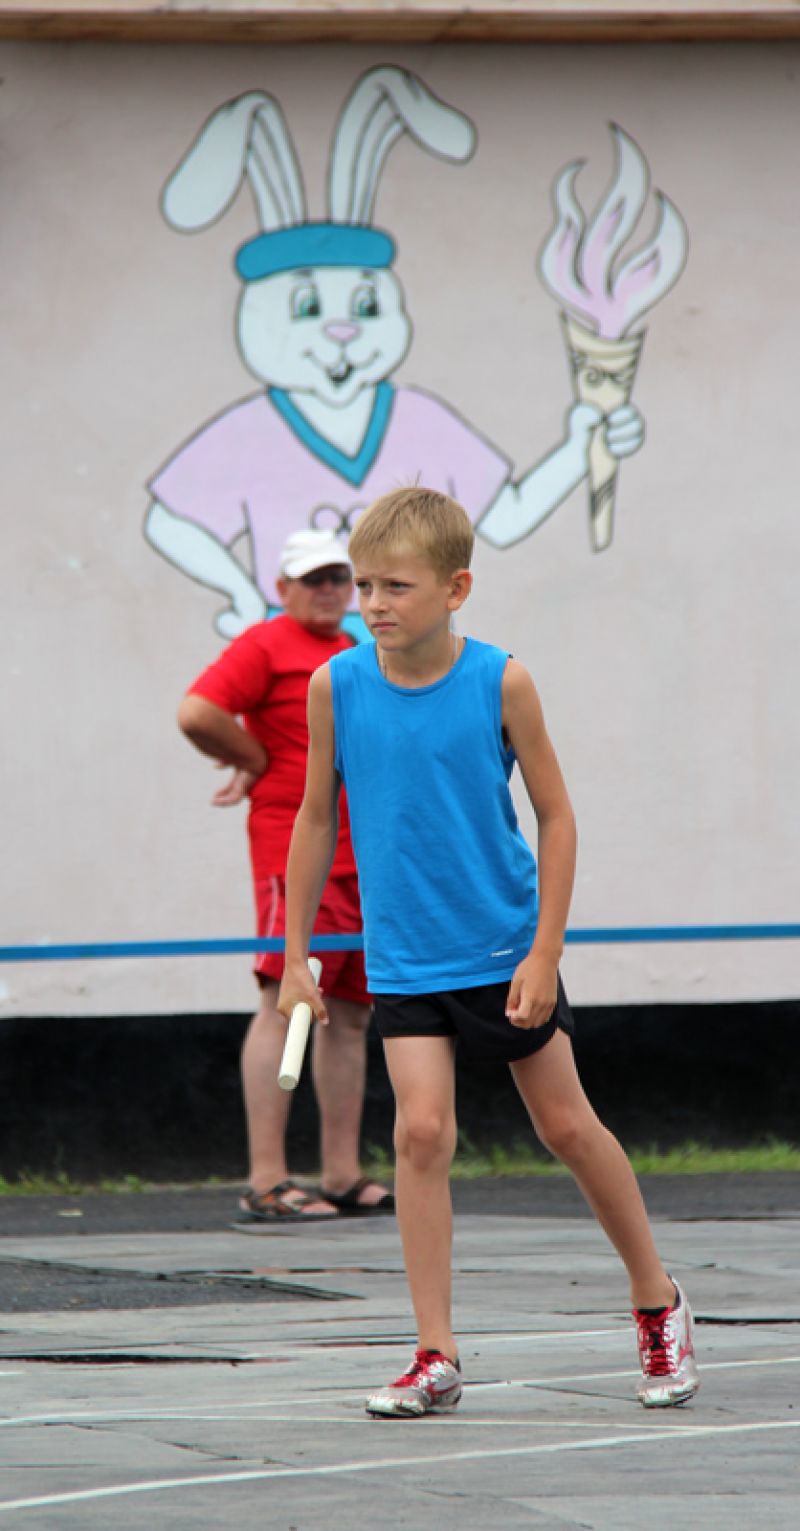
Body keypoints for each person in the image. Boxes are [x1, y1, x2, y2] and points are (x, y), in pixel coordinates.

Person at [278, 486, 700, 1415]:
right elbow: (313, 818)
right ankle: (436, 1353)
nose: (374, 603)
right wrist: (297, 955)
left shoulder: (500, 680)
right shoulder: (335, 685)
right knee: (421, 1133)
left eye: (397, 586)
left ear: (456, 588)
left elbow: (556, 815)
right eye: (365, 585)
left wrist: (544, 953)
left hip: (501, 948)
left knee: (568, 1128)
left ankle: (657, 1299)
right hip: (403, 956)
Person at [178, 528, 393, 1224]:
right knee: (284, 1000)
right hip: (294, 855)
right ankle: (266, 1179)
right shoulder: (266, 643)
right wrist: (256, 758)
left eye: (339, 578)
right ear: (283, 588)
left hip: (363, 857)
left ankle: (341, 1173)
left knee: (350, 1014)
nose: (329, 590)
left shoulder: (351, 649)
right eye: (314, 579)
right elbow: (196, 711)